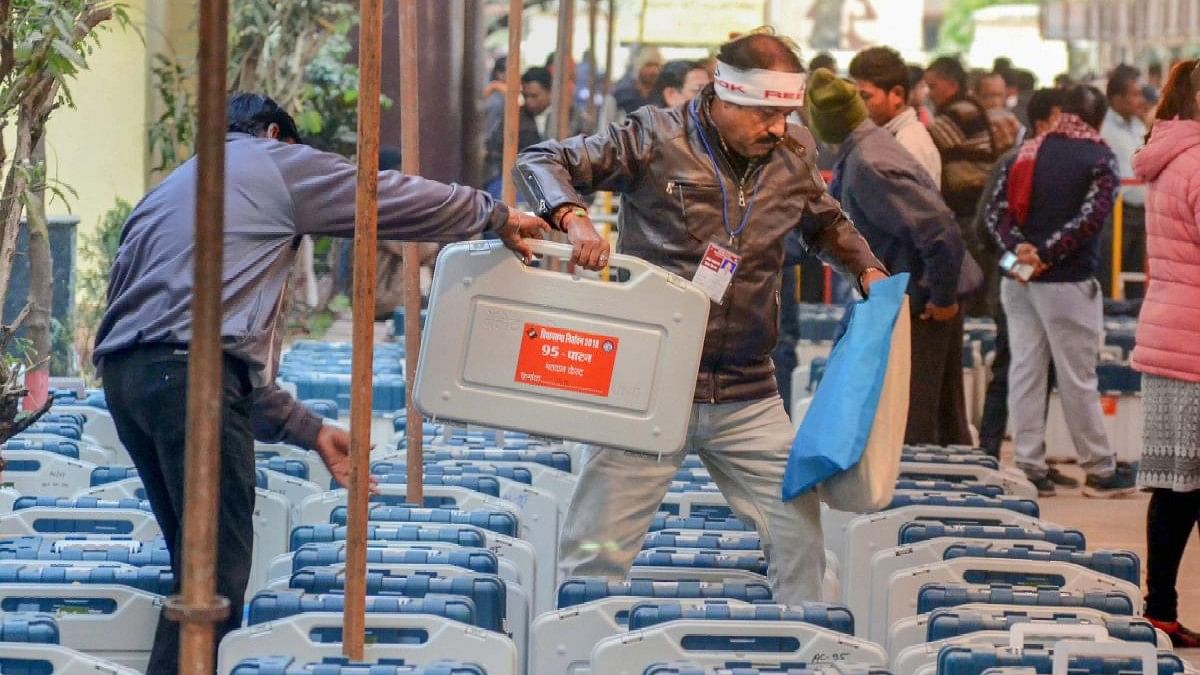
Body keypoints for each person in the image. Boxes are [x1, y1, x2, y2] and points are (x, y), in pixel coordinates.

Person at [93, 93, 552, 673]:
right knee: (213, 580)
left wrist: (309, 431)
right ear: (277, 135)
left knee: (198, 567)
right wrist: (495, 215)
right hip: (190, 377)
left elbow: (211, 352)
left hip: (129, 380)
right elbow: (379, 193)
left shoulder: (178, 186)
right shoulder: (270, 161)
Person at [515, 31, 887, 604]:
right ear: (724, 96)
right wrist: (574, 219)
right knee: (595, 555)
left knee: (801, 541)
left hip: (747, 389)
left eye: (786, 115)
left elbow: (823, 218)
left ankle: (807, 647)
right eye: (766, 113)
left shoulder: (793, 153)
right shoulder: (653, 136)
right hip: (649, 385)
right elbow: (544, 159)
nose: (777, 128)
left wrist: (867, 269)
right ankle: (581, 648)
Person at [982, 85, 1137, 498]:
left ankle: (1030, 466)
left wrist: (1021, 251)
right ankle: (1100, 469)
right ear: (1097, 119)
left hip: (1016, 279)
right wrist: (1047, 254)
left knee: (1025, 371)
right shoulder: (1099, 158)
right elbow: (1092, 218)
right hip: (1066, 281)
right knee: (1078, 377)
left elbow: (995, 213)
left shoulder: (1024, 152)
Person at [806, 68, 974, 446]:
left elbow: (939, 230)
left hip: (920, 299)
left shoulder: (871, 164)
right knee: (939, 415)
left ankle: (919, 492)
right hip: (912, 292)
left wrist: (942, 298)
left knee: (913, 418)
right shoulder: (869, 148)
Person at [1130, 58, 1200, 648]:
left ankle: (1160, 610)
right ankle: (1160, 610)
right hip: (1194, 342)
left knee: (1179, 488)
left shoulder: (1170, 155)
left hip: (1169, 335)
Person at [975, 89, 1071, 471]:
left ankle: (1033, 460)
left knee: (1042, 370)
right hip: (1014, 284)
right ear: (1044, 121)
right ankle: (988, 453)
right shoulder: (1013, 162)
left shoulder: (1060, 166)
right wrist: (1020, 263)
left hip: (1046, 284)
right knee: (1009, 365)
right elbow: (985, 226)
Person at [925, 56, 999, 316]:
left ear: (951, 85)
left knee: (972, 276)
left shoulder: (960, 112)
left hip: (969, 208)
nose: (928, 94)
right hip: (972, 207)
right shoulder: (965, 109)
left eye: (933, 86)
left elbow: (927, 142)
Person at [849, 46, 941, 186]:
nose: (857, 105)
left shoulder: (910, 144)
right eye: (854, 97)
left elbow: (910, 207)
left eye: (865, 96)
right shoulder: (886, 136)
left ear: (897, 95)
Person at [1100, 65, 1148, 299]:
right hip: (1118, 211)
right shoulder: (1105, 129)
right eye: (1134, 94)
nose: (1140, 100)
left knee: (1138, 269)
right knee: (1112, 267)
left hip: (1142, 212)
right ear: (1117, 98)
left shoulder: (1138, 127)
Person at [483, 67, 553, 197]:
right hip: (515, 181)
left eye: (534, 96)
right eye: (525, 96)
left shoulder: (569, 118)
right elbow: (495, 151)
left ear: (550, 92)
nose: (529, 101)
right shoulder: (514, 119)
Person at [977, 72, 1024, 154]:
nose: (995, 102)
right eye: (988, 96)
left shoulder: (1013, 121)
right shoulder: (971, 123)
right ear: (977, 96)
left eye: (1000, 95)